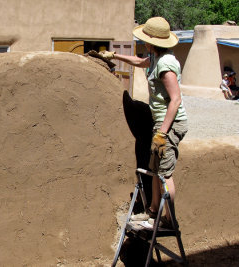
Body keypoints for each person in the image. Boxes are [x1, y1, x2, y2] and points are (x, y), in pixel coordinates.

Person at [98, 17, 188, 229]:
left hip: (170, 125)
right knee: (155, 169)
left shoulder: (165, 64)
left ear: (152, 41)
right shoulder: (155, 57)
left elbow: (175, 99)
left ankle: (169, 220)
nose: (143, 42)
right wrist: (114, 55)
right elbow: (140, 62)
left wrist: (163, 133)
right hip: (161, 123)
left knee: (165, 174)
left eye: (146, 39)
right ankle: (154, 212)